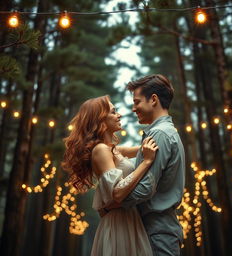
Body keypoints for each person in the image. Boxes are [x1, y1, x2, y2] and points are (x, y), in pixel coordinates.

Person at [61, 95, 158, 256]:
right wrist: (146, 162)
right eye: (113, 112)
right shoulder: (100, 150)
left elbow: (140, 149)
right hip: (119, 224)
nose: (119, 115)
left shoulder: (112, 149)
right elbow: (118, 192)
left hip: (128, 219)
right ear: (100, 120)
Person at [120, 74, 186, 256]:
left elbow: (145, 188)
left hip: (158, 232)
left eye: (137, 102)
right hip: (156, 230)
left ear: (154, 100)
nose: (134, 108)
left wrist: (113, 202)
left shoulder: (160, 135)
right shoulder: (163, 133)